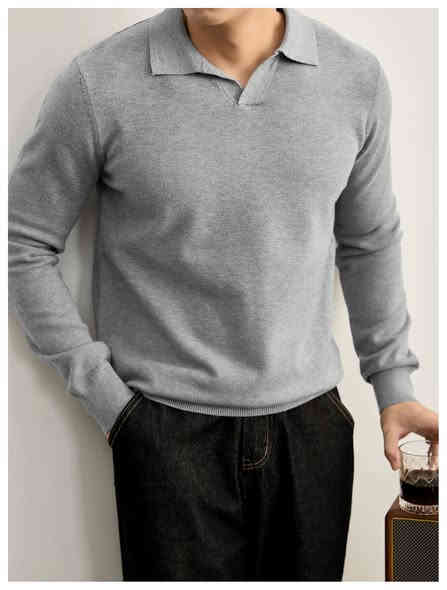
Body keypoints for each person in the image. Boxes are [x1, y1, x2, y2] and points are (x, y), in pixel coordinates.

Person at [8, 7, 438, 582]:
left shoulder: (354, 78)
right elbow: (23, 244)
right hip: (164, 433)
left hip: (312, 432)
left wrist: (393, 387)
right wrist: (108, 399)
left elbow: (368, 242)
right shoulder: (99, 81)